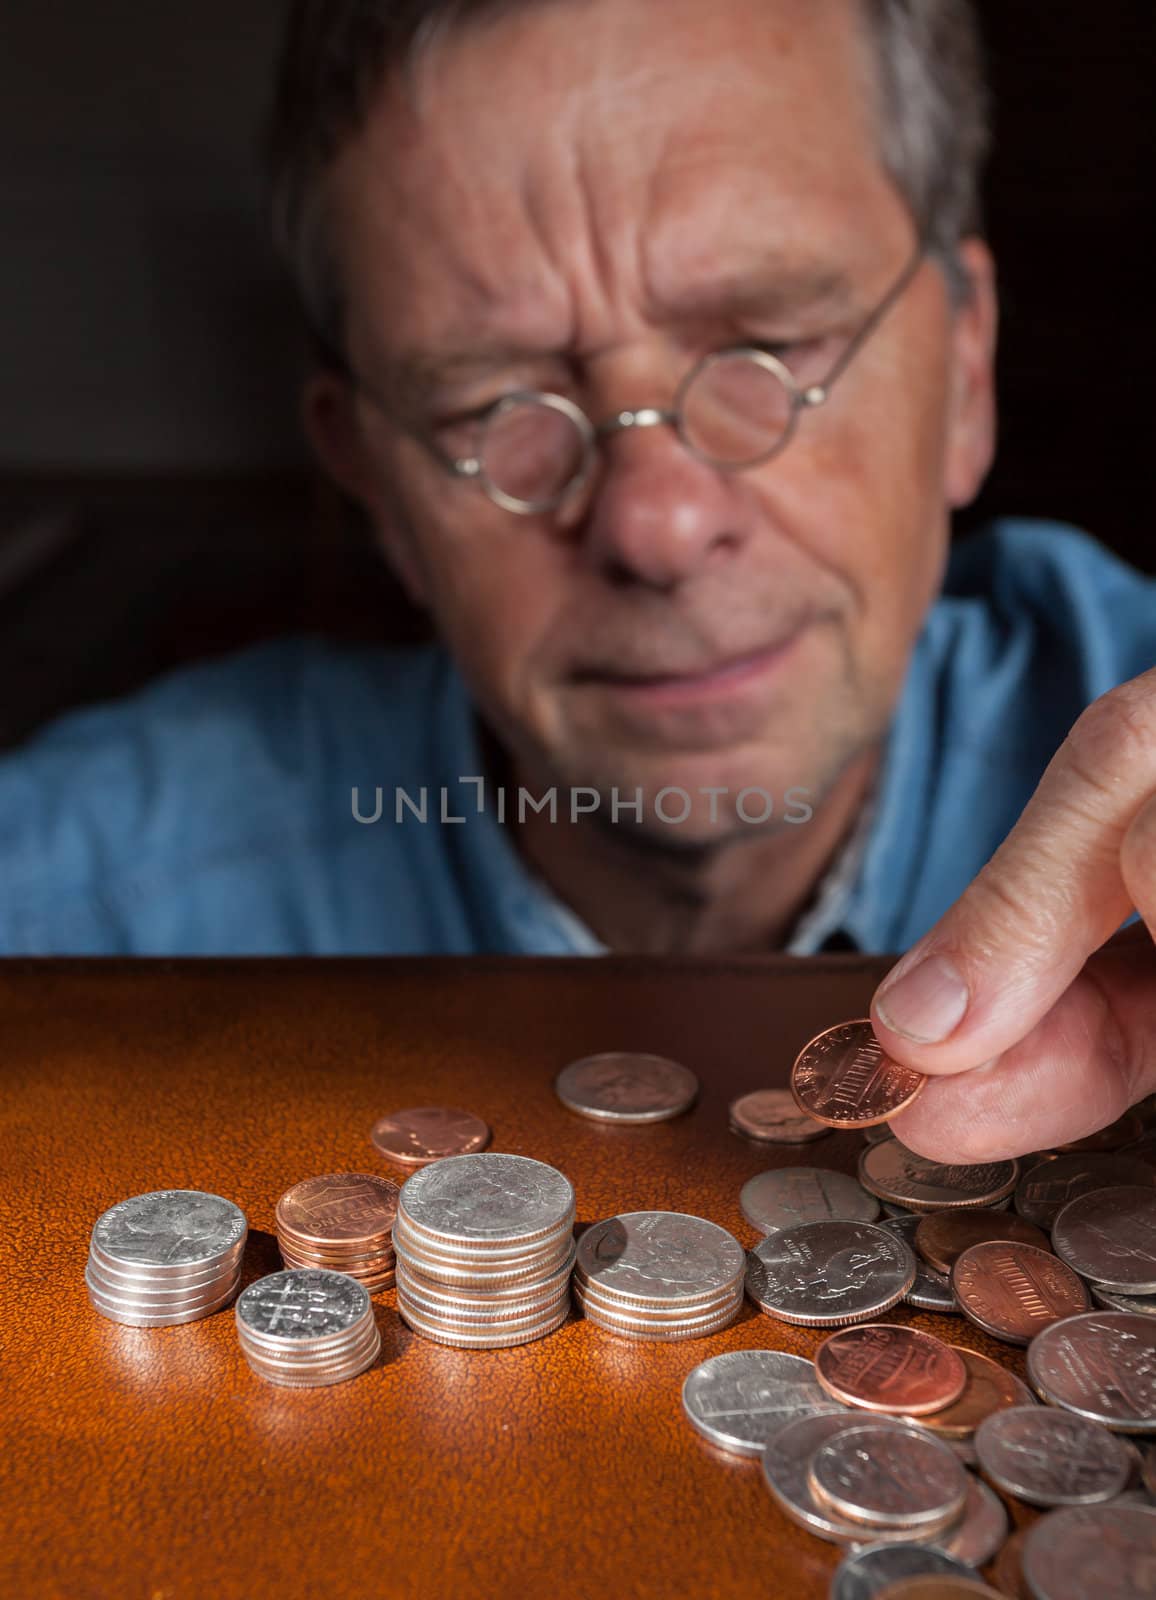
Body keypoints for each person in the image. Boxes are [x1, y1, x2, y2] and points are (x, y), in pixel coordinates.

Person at [0, 0, 1153, 1164]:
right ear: (374, 487)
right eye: (490, 407)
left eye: (768, 347)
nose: (655, 523)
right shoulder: (73, 895)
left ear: (964, 372)